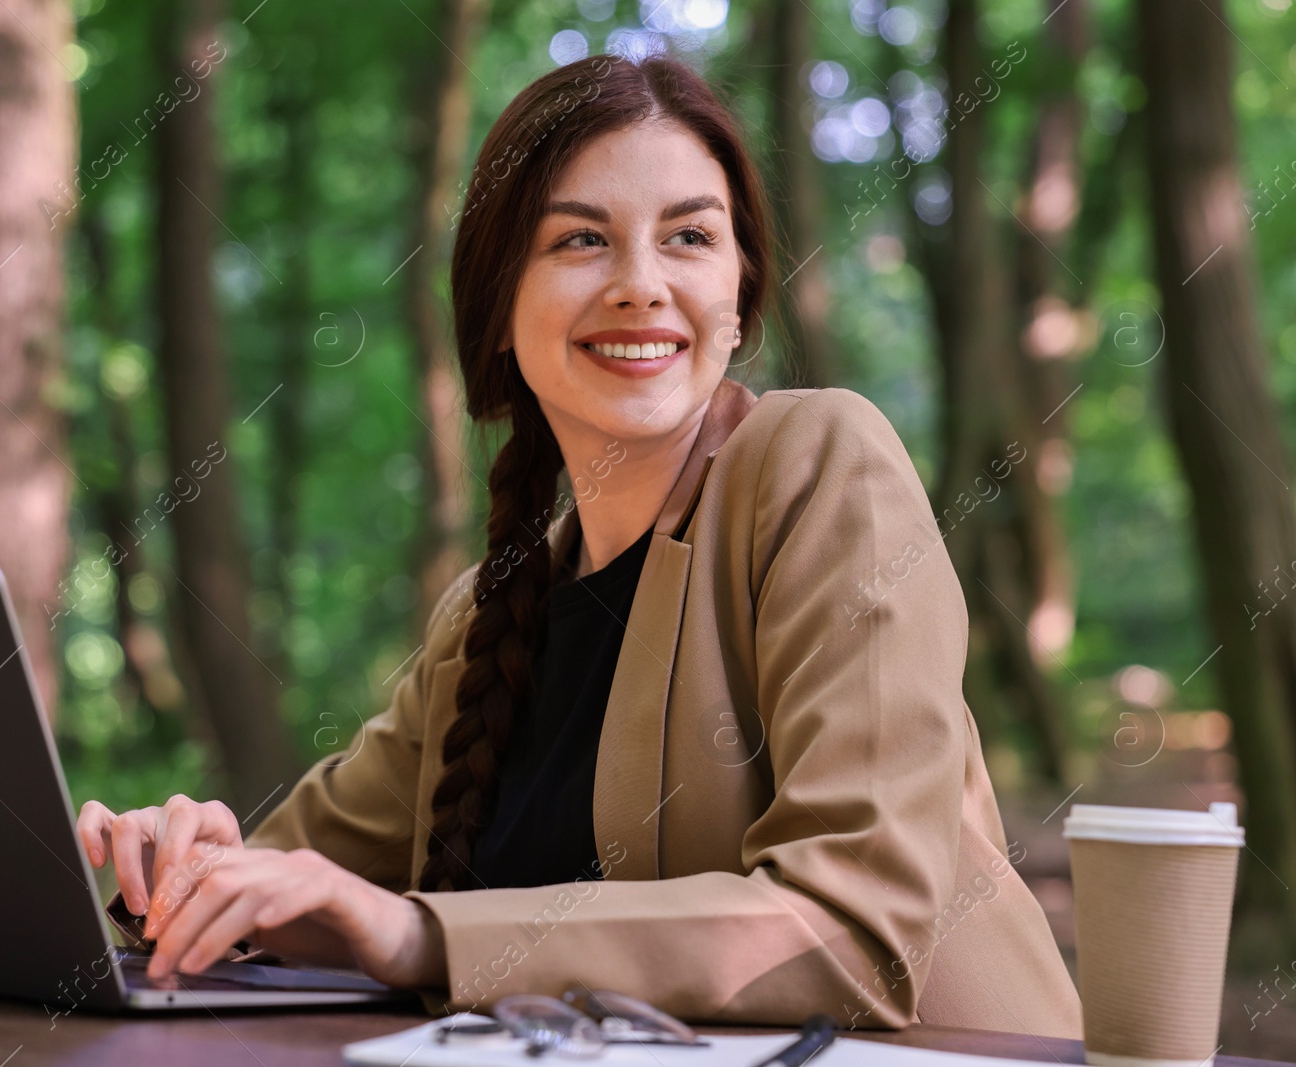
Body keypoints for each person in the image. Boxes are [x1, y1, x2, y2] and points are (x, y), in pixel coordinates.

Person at [74, 53, 1083, 1037]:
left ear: (737, 299)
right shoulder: (486, 615)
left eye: (689, 237)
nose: (640, 284)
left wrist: (418, 933)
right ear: (500, 311)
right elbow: (289, 886)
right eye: (579, 242)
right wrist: (170, 872)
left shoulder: (819, 464)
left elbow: (855, 931)